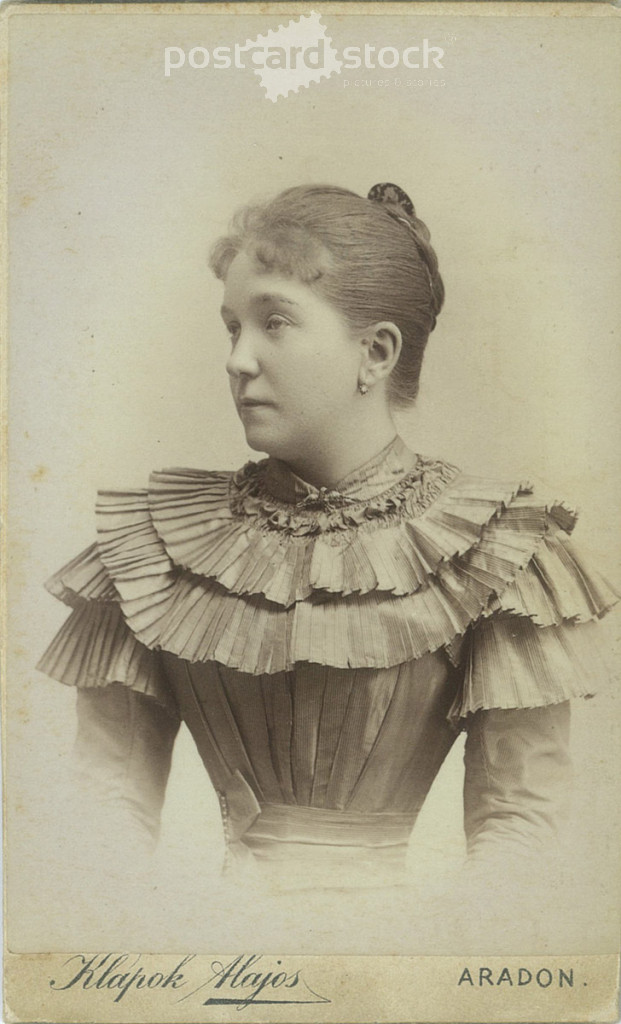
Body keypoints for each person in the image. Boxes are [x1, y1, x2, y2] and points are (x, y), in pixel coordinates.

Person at [37, 182, 618, 894]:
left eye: (274, 322)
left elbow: (521, 831)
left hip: (396, 948)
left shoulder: (496, 552)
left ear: (375, 353)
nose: (238, 359)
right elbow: (101, 818)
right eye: (232, 327)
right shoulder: (154, 544)